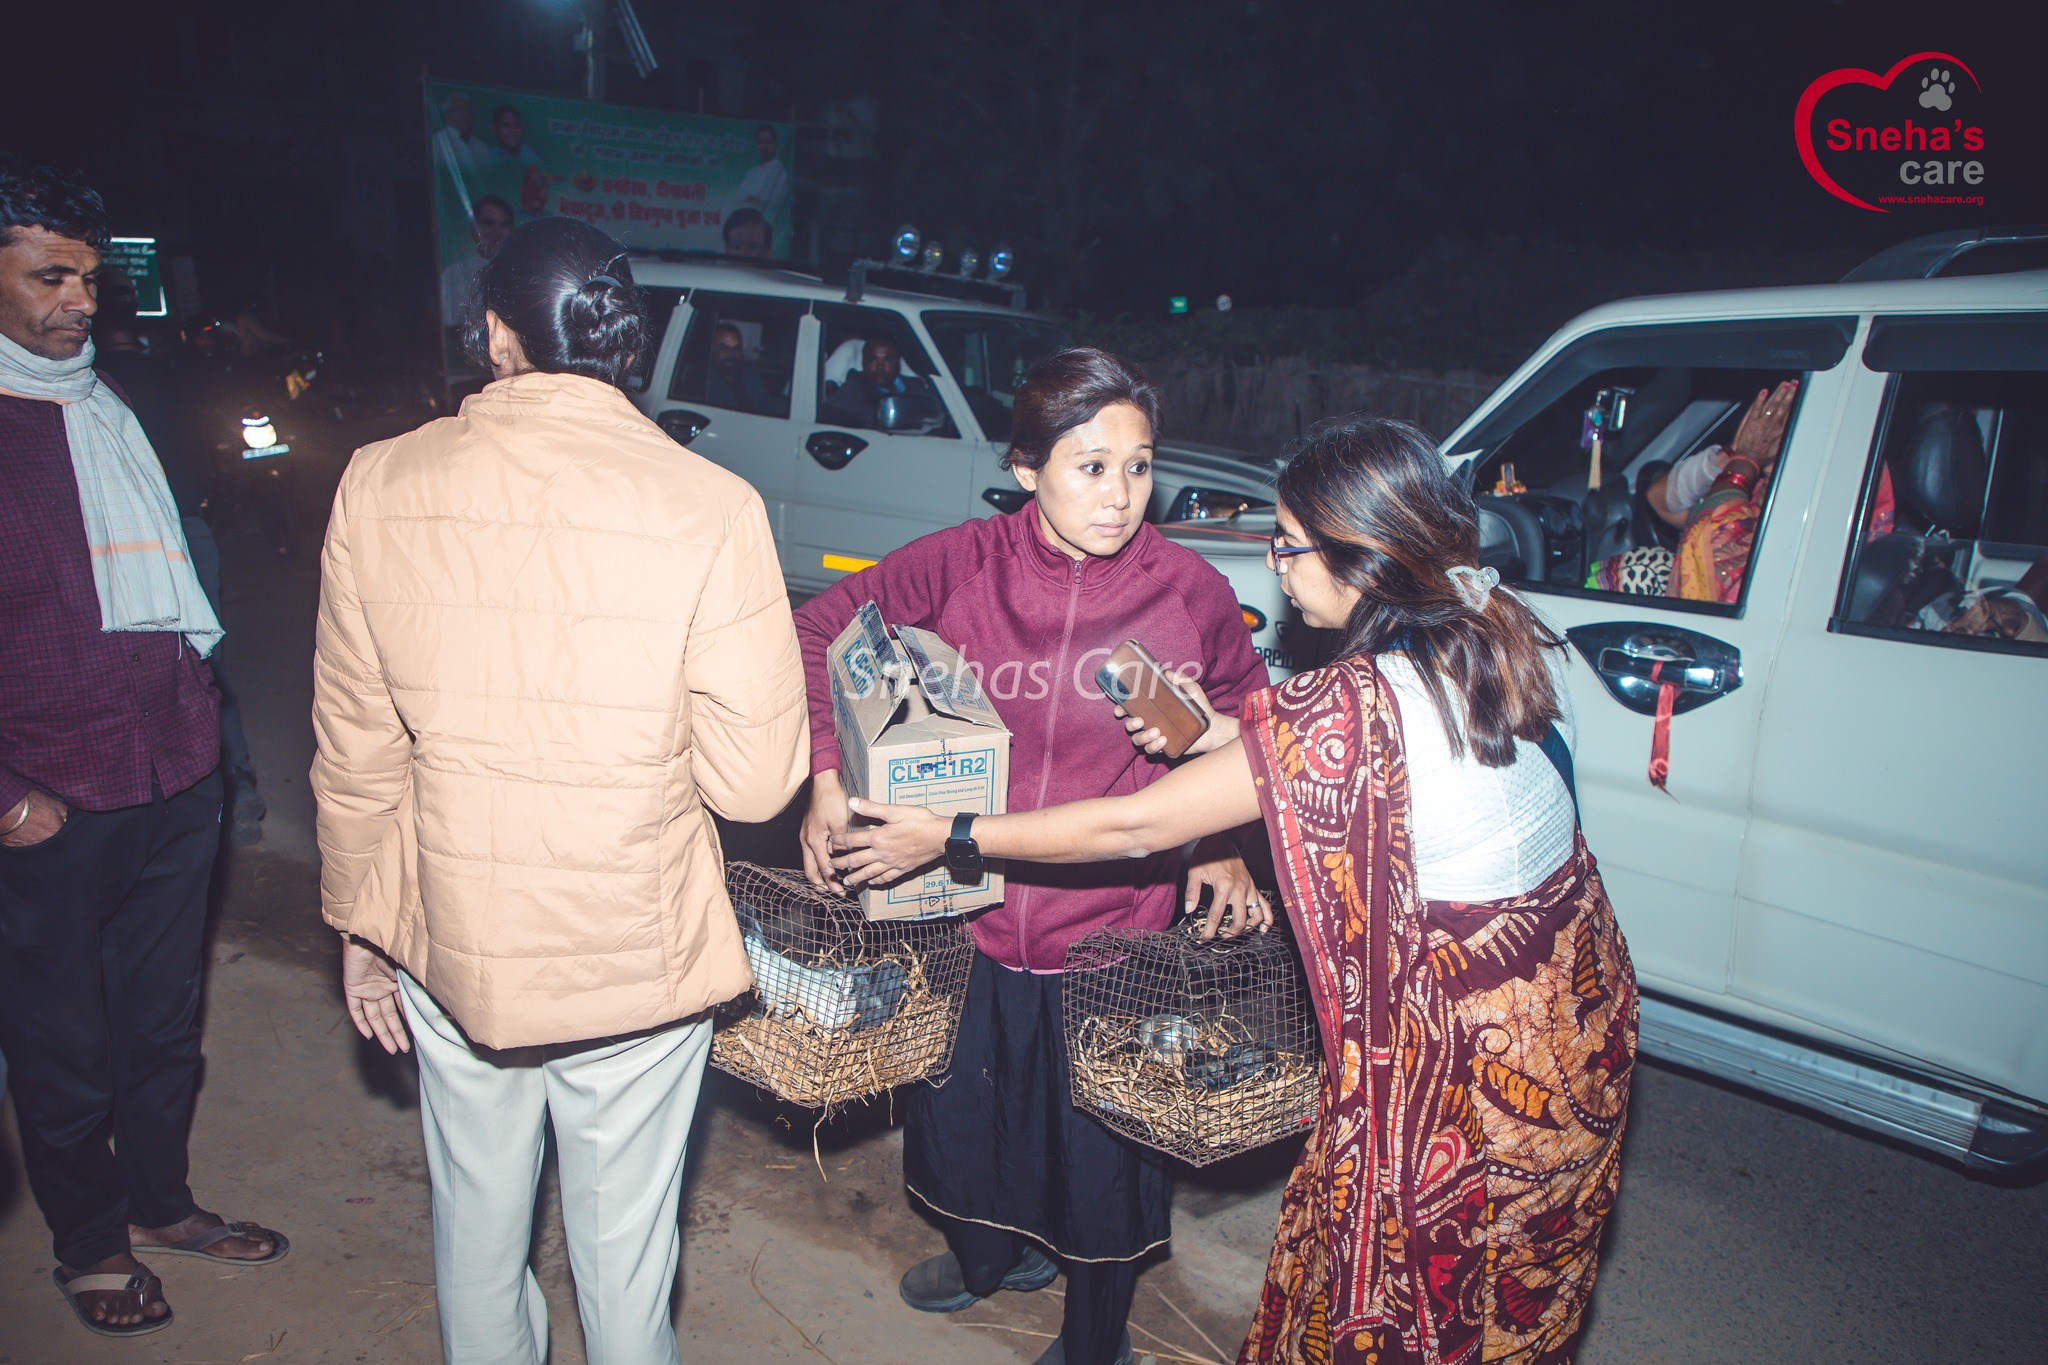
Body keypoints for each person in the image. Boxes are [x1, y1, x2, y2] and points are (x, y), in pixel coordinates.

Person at [837, 416, 1639, 1365]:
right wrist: (1216, 731)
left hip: (1463, 1069)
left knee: (1412, 1310)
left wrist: (952, 833)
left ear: (1359, 555)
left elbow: (1135, 826)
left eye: (1288, 544)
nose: (1275, 567)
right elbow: (1332, 744)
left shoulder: (1356, 703)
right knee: (1505, 1305)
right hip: (1572, 1025)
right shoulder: (1489, 627)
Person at [313, 216, 809, 1365]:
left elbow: (354, 744)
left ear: (496, 334)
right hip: (630, 949)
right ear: (627, 345)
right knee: (624, 1266)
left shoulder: (378, 482)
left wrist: (359, 928)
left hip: (449, 932)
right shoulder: (710, 505)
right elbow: (751, 785)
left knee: (476, 1238)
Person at [793, 348, 1270, 1365]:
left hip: (1110, 934)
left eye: (1138, 466)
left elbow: (1245, 726)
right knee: (970, 1120)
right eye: (1090, 467)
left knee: (1101, 1156)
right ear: (1025, 468)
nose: (1119, 495)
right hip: (964, 913)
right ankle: (991, 1257)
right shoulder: (960, 562)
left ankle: (1095, 1338)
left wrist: (1222, 838)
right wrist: (826, 775)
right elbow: (818, 626)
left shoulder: (1188, 591)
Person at [0, 154, 285, 1340]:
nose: (79, 302)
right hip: (49, 793)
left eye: (88, 279)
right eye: (47, 278)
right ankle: (89, 1242)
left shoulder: (109, 403)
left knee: (163, 1023)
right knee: (61, 1040)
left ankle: (162, 1205)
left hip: (174, 770)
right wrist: (7, 798)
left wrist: (210, 746)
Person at [92, 275, 265, 846]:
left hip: (118, 543)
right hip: (187, 531)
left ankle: (169, 805)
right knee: (204, 664)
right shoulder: (172, 375)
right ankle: (234, 789)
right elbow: (206, 458)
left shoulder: (86, 387)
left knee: (136, 672)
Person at [820, 335, 928, 429]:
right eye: (873, 360)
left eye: (888, 360)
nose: (880, 367)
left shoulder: (917, 386)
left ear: (898, 362)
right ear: (863, 362)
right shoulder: (853, 389)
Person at [438, 194, 514, 326]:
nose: (497, 231)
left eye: (504, 224)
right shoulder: (453, 275)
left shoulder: (521, 271)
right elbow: (449, 324)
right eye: (489, 223)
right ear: (474, 229)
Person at [706, 320, 773, 413]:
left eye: (736, 348)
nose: (731, 353)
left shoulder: (752, 378)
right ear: (712, 350)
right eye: (724, 348)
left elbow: (767, 409)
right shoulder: (705, 381)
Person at [736, 123, 792, 221]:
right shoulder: (751, 172)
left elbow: (772, 202)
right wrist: (752, 200)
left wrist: (752, 200)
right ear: (757, 145)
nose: (764, 147)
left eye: (768, 142)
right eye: (761, 142)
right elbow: (738, 199)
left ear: (775, 144)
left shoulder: (781, 173)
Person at [432, 91, 492, 179]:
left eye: (468, 111)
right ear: (447, 115)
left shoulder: (481, 147)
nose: (464, 115)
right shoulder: (436, 143)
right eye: (459, 110)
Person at [487, 102, 542, 167]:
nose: (512, 130)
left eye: (516, 125)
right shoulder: (490, 157)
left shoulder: (530, 154)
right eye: (506, 126)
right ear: (495, 129)